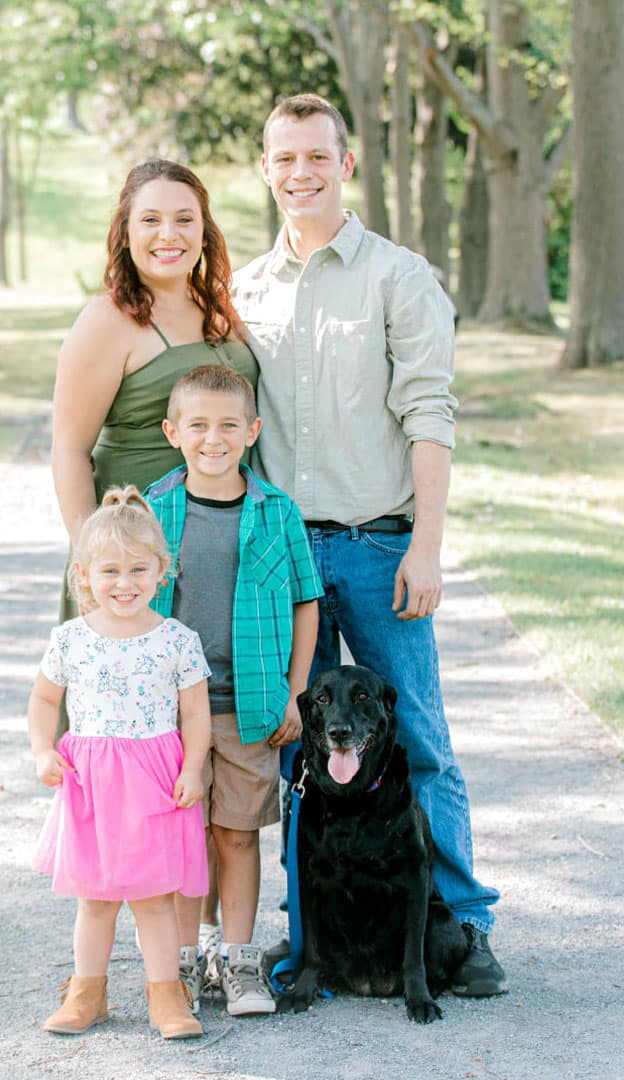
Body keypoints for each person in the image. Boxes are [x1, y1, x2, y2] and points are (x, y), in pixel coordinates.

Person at [232, 93, 506, 998]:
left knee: (417, 739)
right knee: (297, 747)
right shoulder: (247, 291)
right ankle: (311, 940)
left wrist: (426, 545)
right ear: (266, 168)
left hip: (378, 545)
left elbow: (430, 413)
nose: (301, 173)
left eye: (318, 156)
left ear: (345, 163)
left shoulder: (400, 277)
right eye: (285, 159)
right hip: (283, 560)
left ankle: (461, 925)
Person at [144, 364, 322, 1015]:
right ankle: (186, 960)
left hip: (250, 709)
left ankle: (242, 962)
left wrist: (294, 692)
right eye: (198, 425)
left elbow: (307, 603)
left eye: (227, 425)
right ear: (173, 431)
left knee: (238, 835)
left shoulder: (278, 513)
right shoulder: (153, 510)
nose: (212, 438)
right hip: (172, 716)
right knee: (186, 838)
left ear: (252, 430)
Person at [28, 486, 211, 1039]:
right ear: (83, 574)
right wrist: (43, 750)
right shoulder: (71, 640)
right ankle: (88, 993)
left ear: (163, 571)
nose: (124, 583)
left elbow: (196, 715)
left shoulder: (177, 641)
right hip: (93, 783)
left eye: (138, 569)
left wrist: (192, 768)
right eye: (109, 571)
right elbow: (43, 701)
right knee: (97, 899)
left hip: (155, 781)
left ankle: (167, 998)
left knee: (155, 900)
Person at [52, 158, 258, 628]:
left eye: (185, 220)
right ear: (125, 233)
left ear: (204, 231)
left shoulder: (218, 306)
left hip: (218, 543)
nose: (169, 234)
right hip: (132, 560)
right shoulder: (106, 322)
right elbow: (69, 451)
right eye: (150, 220)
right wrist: (93, 568)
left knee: (213, 694)